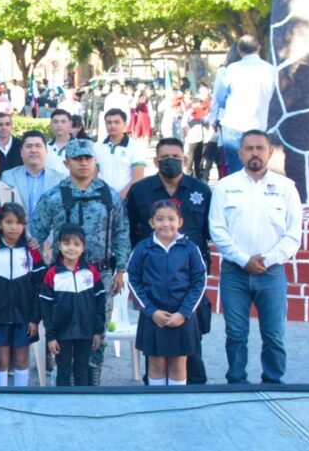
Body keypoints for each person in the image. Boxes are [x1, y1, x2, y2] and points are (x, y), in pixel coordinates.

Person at [29, 139, 129, 386]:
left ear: (94, 161)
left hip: (100, 274)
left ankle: (92, 378)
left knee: (97, 329)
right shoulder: (53, 196)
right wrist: (45, 266)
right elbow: (37, 234)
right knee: (62, 328)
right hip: (63, 276)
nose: (83, 163)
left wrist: (120, 269)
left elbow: (121, 232)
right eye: (77, 159)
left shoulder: (109, 196)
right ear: (67, 163)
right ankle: (64, 379)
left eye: (88, 158)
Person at [209, 130, 301, 384]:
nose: (255, 153)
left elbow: (294, 233)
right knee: (236, 334)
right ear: (240, 153)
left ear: (270, 152)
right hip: (235, 273)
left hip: (271, 273)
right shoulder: (226, 186)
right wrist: (243, 260)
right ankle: (236, 382)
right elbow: (217, 229)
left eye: (260, 148)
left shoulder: (286, 187)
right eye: (249, 149)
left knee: (273, 335)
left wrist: (267, 260)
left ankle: (273, 381)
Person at [124, 137, 213, 384]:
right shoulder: (140, 191)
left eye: (175, 157)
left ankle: (191, 388)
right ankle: (155, 388)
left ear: (184, 159)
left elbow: (208, 231)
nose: (170, 161)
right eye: (164, 158)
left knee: (189, 347)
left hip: (187, 279)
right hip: (151, 280)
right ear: (156, 161)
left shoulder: (201, 190)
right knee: (155, 353)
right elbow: (129, 229)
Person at [126, 200, 207, 387]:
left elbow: (199, 282)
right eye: (160, 219)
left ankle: (177, 402)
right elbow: (133, 280)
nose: (166, 224)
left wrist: (184, 313)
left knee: (178, 363)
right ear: (151, 222)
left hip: (182, 316)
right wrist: (151, 311)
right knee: (156, 363)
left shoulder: (190, 248)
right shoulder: (143, 248)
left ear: (180, 221)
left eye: (171, 219)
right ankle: (157, 402)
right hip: (153, 316)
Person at [0, 203, 44, 387]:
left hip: (24, 317)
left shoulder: (31, 252)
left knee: (21, 358)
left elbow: (39, 288)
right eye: (8, 222)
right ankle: (0, 396)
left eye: (19, 223)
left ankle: (21, 396)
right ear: (0, 224)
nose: (14, 227)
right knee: (1, 359)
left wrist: (34, 319)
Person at [40, 224, 105, 386]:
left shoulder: (91, 272)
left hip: (86, 331)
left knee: (82, 369)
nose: (71, 248)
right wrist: (50, 336)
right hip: (61, 332)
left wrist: (97, 331)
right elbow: (46, 309)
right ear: (59, 245)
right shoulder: (52, 274)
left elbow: (100, 304)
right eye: (66, 243)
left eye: (76, 244)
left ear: (83, 248)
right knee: (63, 371)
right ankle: (62, 400)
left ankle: (82, 400)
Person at [214, 36, 276, 174]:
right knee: (259, 166)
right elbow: (274, 98)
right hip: (259, 124)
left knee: (234, 170)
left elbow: (220, 97)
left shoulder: (232, 69)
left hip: (233, 124)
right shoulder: (270, 70)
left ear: (239, 50)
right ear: (259, 48)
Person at [0, 131, 63, 223]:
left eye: (38, 146)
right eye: (29, 146)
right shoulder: (8, 177)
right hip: (18, 231)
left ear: (46, 151)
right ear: (21, 152)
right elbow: (4, 211)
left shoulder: (60, 179)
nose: (33, 150)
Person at [94, 109, 147, 199]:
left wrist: (119, 198)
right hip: (102, 198)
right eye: (109, 122)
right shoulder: (97, 146)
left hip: (127, 199)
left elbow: (137, 178)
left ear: (124, 124)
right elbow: (92, 175)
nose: (112, 125)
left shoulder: (135, 146)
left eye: (117, 122)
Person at [45, 109, 73, 176]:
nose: (59, 125)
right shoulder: (45, 148)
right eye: (55, 122)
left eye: (63, 121)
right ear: (51, 124)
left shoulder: (80, 147)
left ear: (70, 124)